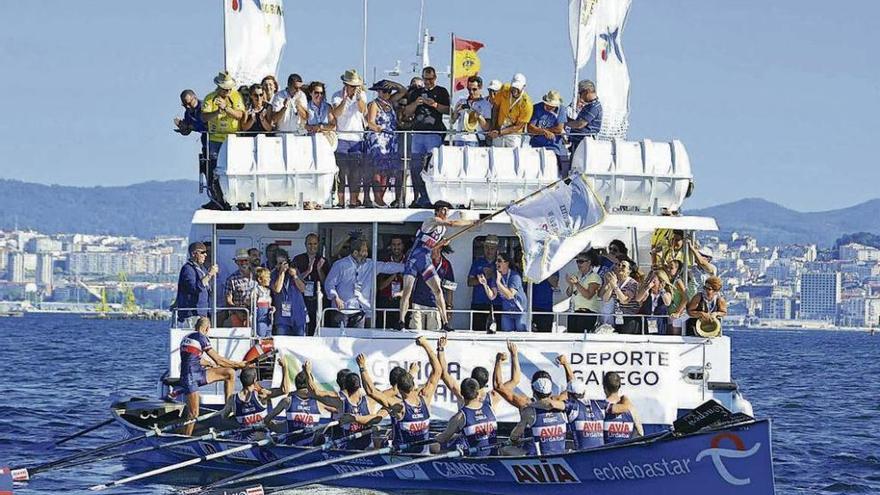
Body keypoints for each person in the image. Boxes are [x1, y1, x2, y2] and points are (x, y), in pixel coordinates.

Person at [398, 201, 475, 332]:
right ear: (437, 211)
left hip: (425, 260)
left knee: (438, 290)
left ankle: (445, 322)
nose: (445, 213)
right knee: (407, 291)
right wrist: (472, 222)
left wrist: (441, 244)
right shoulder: (431, 221)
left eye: (447, 210)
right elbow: (451, 223)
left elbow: (431, 246)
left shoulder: (442, 232)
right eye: (443, 210)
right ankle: (401, 321)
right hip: (414, 259)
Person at [358, 336, 443, 453]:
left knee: (374, 443)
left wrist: (362, 367)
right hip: (423, 456)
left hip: (402, 458)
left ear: (397, 388)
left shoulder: (398, 407)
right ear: (413, 384)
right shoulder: (425, 397)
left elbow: (371, 391)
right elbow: (438, 370)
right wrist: (425, 344)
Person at [179, 316, 246, 436]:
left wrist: (209, 364)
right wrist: (239, 364)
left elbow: (194, 359)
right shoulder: (202, 338)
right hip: (190, 378)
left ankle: (227, 408)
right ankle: (185, 438)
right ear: (207, 328)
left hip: (197, 373)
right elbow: (219, 360)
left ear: (195, 327)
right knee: (194, 413)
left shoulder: (186, 337)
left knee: (229, 373)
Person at [304, 362, 385, 450]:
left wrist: (307, 372)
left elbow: (314, 392)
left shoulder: (338, 400)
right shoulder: (370, 399)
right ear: (360, 386)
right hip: (360, 447)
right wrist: (362, 367)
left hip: (346, 447)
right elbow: (390, 397)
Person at [324, 238, 404, 328]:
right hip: (341, 311)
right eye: (364, 251)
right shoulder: (340, 265)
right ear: (355, 253)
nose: (366, 254)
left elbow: (387, 267)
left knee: (358, 339)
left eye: (366, 251)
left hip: (359, 310)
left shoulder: (370, 264)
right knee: (339, 340)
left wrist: (407, 267)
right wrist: (336, 297)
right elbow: (329, 284)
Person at [403, 66, 450, 208]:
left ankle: (432, 198)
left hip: (434, 134)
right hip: (417, 134)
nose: (428, 82)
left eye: (431, 79)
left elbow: (448, 110)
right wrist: (416, 103)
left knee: (432, 167)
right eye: (426, 79)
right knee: (416, 167)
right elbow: (406, 112)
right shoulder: (416, 92)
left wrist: (434, 104)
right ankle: (419, 197)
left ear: (435, 78)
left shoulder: (441, 91)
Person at [200, 72, 246, 209]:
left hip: (232, 139)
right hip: (215, 139)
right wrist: (217, 112)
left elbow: (240, 115)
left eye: (229, 88)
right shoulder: (210, 98)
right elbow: (203, 118)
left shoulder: (236, 96)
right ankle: (218, 199)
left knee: (236, 170)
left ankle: (241, 200)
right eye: (225, 89)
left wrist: (226, 108)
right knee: (214, 171)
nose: (228, 91)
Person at [216, 362, 289, 440]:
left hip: (244, 440)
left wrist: (239, 419)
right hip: (263, 439)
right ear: (255, 380)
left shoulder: (232, 399)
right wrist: (284, 367)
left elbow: (224, 417)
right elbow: (285, 390)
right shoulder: (261, 395)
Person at [365, 79, 407, 207]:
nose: (387, 93)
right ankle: (377, 198)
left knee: (387, 170)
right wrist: (378, 128)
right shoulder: (374, 104)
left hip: (390, 139)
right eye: (384, 91)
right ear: (378, 92)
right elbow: (370, 122)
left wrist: (393, 84)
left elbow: (403, 90)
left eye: (389, 91)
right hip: (378, 138)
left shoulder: (391, 103)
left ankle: (381, 198)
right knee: (377, 169)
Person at [264, 366, 333, 446]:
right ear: (310, 384)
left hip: (291, 447)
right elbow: (338, 411)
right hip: (311, 448)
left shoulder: (287, 401)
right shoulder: (319, 402)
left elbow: (267, 420)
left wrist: (276, 425)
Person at [430, 377, 498, 456]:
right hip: (494, 457)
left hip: (475, 463)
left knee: (435, 448)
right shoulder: (491, 408)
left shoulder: (460, 417)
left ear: (462, 393)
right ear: (478, 393)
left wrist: (437, 437)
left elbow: (443, 439)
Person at [332, 70, 368, 208]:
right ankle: (341, 202)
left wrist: (358, 98)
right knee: (341, 172)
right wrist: (346, 99)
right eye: (351, 86)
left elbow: (363, 110)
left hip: (357, 138)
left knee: (355, 172)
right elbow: (337, 113)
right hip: (341, 137)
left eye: (355, 86)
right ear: (345, 85)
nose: (354, 88)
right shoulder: (337, 96)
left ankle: (353, 201)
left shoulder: (362, 95)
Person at [477, 252, 527, 332]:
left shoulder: (515, 276)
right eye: (496, 261)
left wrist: (498, 282)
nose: (496, 263)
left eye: (499, 261)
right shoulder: (496, 276)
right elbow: (492, 296)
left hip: (520, 311)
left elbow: (510, 295)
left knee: (521, 335)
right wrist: (485, 284)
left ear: (506, 263)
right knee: (506, 334)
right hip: (507, 311)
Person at [410, 246, 455, 331]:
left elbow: (450, 286)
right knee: (415, 331)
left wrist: (449, 306)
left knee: (434, 333)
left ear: (440, 248)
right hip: (418, 302)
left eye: (434, 248)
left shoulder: (446, 264)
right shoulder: (424, 262)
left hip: (435, 304)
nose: (431, 251)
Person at [292, 233, 329, 336]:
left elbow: (326, 282)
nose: (312, 246)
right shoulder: (298, 259)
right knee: (302, 324)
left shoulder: (322, 260)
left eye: (315, 244)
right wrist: (308, 271)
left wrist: (318, 269)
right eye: (309, 244)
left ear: (318, 244)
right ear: (305, 244)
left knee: (316, 324)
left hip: (317, 298)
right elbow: (294, 279)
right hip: (301, 298)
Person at [174, 242, 218, 326]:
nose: (205, 255)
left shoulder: (200, 269)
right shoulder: (188, 269)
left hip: (202, 313)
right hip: (192, 314)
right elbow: (194, 288)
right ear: (194, 254)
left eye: (206, 252)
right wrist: (209, 274)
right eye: (202, 252)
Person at [527, 90, 568, 175]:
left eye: (552, 106)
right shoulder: (537, 108)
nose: (550, 107)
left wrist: (539, 130)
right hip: (536, 145)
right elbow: (530, 128)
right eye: (548, 105)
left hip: (555, 146)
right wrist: (544, 131)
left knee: (563, 168)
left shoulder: (562, 109)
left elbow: (559, 129)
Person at [487, 73, 533, 148]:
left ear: (524, 87)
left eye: (518, 87)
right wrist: (494, 127)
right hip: (499, 128)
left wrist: (500, 132)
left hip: (514, 134)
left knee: (512, 157)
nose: (514, 89)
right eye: (513, 86)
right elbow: (495, 108)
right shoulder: (504, 89)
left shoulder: (527, 104)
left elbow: (519, 126)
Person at [271, 250, 308, 336]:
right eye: (280, 263)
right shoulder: (273, 274)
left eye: (284, 263)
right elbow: (277, 289)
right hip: (282, 318)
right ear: (276, 265)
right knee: (281, 344)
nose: (283, 266)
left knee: (300, 343)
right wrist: (281, 273)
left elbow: (303, 289)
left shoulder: (294, 271)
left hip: (298, 315)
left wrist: (295, 276)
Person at [467, 235, 500, 331]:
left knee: (497, 334)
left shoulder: (501, 262)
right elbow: (469, 282)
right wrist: (482, 279)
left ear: (497, 249)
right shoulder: (477, 263)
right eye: (487, 248)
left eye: (492, 248)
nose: (489, 251)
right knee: (477, 332)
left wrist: (494, 274)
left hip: (497, 303)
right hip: (478, 303)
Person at [566, 249, 602, 333]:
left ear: (589, 262)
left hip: (587, 313)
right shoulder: (577, 274)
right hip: (574, 311)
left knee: (581, 338)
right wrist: (571, 285)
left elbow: (588, 295)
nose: (578, 264)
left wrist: (577, 284)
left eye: (581, 261)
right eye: (577, 261)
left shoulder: (594, 277)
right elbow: (568, 294)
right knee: (571, 337)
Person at [600, 257, 640, 333]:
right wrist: (611, 286)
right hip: (617, 318)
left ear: (629, 271)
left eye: (623, 266)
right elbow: (605, 299)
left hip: (629, 319)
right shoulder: (616, 282)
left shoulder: (632, 283)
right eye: (618, 265)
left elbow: (624, 300)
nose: (620, 267)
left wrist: (615, 286)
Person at [602, 371, 643, 444]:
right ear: (619, 386)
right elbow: (640, 435)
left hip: (605, 454)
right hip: (625, 453)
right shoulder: (631, 408)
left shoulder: (599, 408)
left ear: (604, 388)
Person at [450, 76, 492, 147]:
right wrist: (457, 111)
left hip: (474, 140)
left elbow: (487, 127)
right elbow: (452, 121)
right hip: (459, 139)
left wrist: (477, 115)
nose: (471, 92)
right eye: (469, 89)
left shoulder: (486, 104)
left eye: (474, 89)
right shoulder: (462, 101)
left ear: (480, 87)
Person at [377, 236, 407, 329]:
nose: (396, 247)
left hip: (402, 303)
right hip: (386, 303)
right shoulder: (384, 262)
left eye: (399, 244)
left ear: (403, 246)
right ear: (390, 246)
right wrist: (394, 274)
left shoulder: (408, 261)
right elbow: (380, 287)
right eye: (393, 245)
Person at [174, 89, 208, 169]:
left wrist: (193, 127)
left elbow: (207, 126)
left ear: (195, 98)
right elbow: (187, 131)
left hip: (215, 140)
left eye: (189, 103)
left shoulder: (205, 107)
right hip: (205, 143)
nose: (187, 106)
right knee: (206, 168)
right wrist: (181, 126)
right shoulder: (187, 113)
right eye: (184, 104)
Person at [567, 79, 603, 154]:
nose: (580, 97)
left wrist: (564, 123)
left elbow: (580, 124)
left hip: (582, 146)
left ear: (587, 91)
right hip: (579, 144)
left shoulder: (593, 107)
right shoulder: (591, 106)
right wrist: (566, 119)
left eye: (580, 93)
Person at [224, 248, 255, 327]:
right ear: (236, 262)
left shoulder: (257, 276)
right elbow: (228, 301)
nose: (243, 263)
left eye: (246, 260)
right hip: (237, 314)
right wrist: (238, 312)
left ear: (249, 260)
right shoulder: (231, 279)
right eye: (241, 261)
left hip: (255, 314)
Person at [635, 270, 673, 334]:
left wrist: (661, 290)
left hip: (659, 320)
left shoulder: (666, 292)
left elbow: (667, 303)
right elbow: (638, 299)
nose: (651, 282)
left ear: (660, 281)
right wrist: (647, 288)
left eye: (653, 280)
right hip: (647, 319)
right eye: (650, 279)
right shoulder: (646, 291)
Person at [251, 267, 274, 337]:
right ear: (260, 279)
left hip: (268, 318)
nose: (269, 279)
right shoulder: (256, 290)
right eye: (267, 277)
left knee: (268, 337)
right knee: (261, 337)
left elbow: (269, 304)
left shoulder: (268, 291)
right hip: (259, 318)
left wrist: (272, 308)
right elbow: (252, 305)